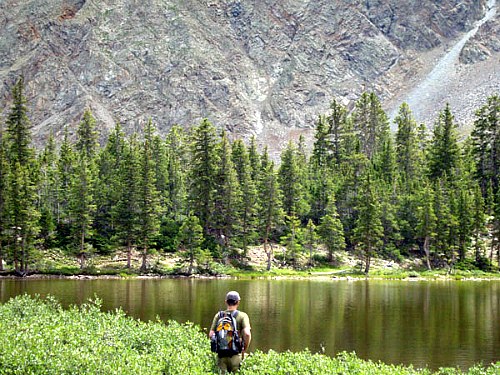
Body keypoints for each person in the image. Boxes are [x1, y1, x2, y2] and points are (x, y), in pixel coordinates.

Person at [209, 291, 251, 373]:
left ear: (226, 302)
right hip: (236, 356)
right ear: (238, 302)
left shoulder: (219, 315)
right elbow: (247, 333)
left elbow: (211, 334)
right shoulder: (243, 316)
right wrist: (244, 349)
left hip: (221, 356)